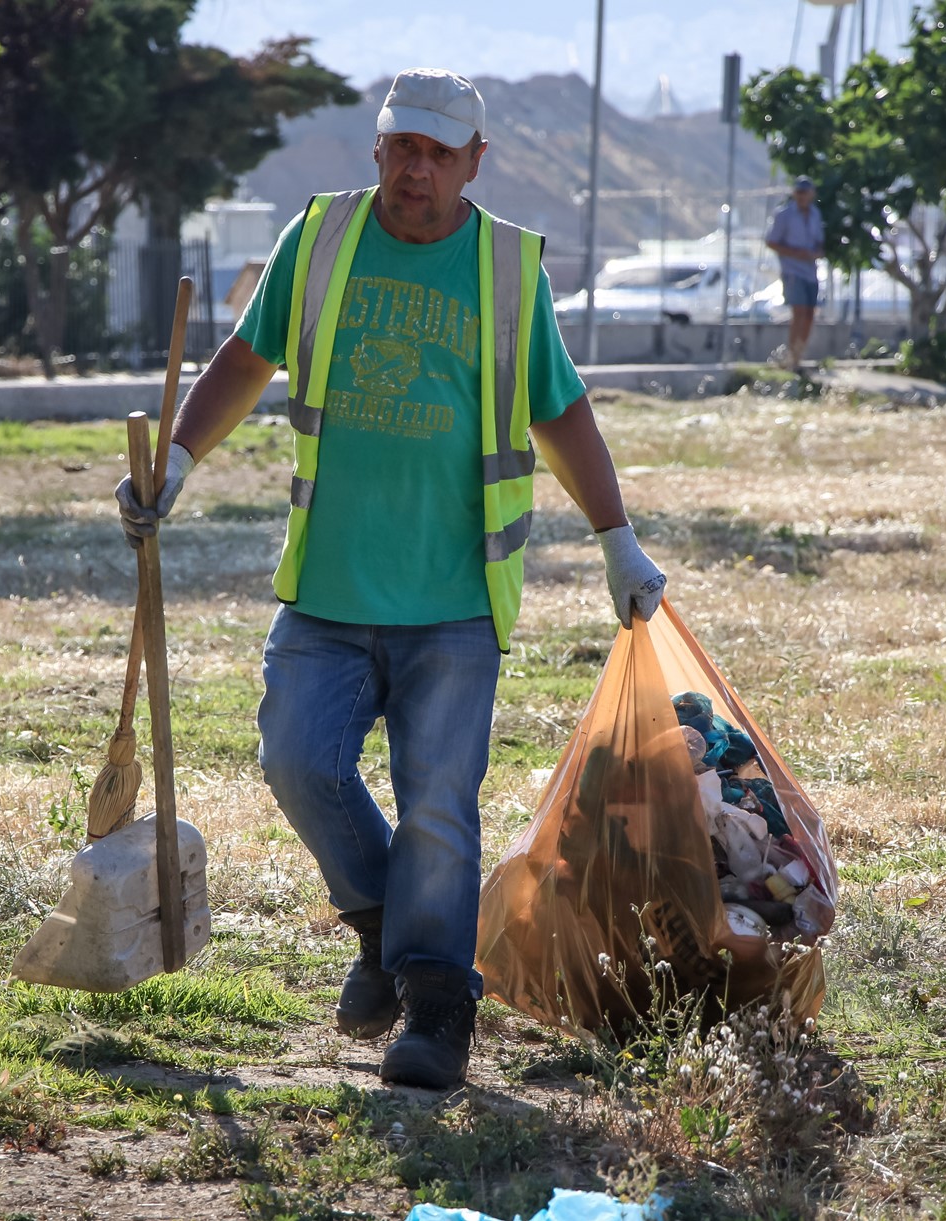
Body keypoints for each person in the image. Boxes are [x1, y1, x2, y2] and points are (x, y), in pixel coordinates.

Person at [115, 67, 666, 1090]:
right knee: (296, 762)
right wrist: (179, 461)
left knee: (438, 810)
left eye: (437, 154)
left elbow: (560, 407)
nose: (416, 170)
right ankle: (379, 924)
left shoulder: (505, 268)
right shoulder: (320, 240)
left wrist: (614, 538)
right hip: (326, 588)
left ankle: (435, 1003)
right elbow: (246, 356)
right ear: (377, 148)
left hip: (453, 600)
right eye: (401, 148)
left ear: (473, 164)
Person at [764, 175, 825, 370]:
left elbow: (819, 242)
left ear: (811, 194)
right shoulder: (784, 215)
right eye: (798, 192)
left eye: (805, 193)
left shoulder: (815, 214)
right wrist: (795, 253)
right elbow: (772, 241)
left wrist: (816, 253)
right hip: (792, 270)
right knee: (798, 311)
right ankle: (790, 357)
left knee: (809, 314)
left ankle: (799, 355)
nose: (802, 196)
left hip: (810, 271)